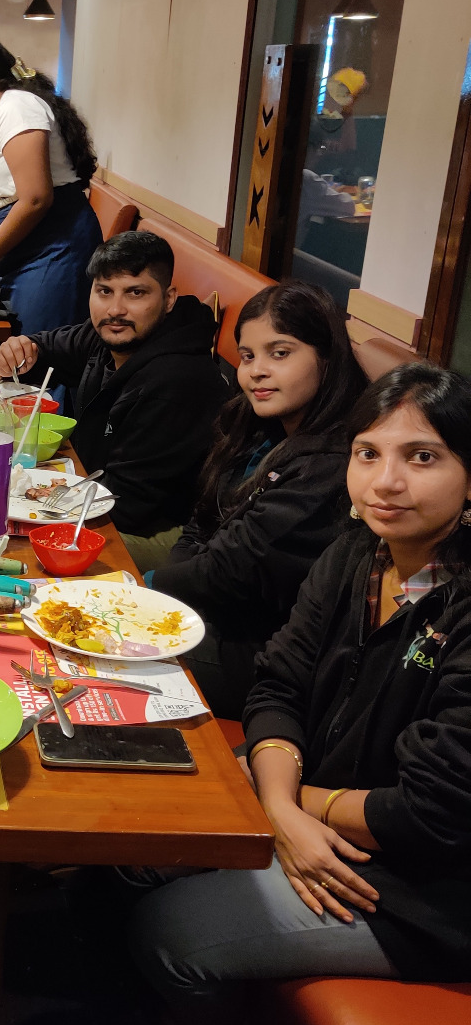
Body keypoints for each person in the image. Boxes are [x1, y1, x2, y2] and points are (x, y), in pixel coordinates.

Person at [120, 363, 471, 1025]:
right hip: (318, 807)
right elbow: (277, 682)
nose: (385, 481)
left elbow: (432, 812)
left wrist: (294, 806)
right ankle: (203, 999)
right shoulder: (360, 554)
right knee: (136, 841)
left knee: (168, 931)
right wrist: (281, 810)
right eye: (368, 453)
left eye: (423, 456)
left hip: (421, 889)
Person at [150, 282, 367, 717]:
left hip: (260, 657)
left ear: (327, 357)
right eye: (248, 356)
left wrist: (147, 590)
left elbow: (229, 571)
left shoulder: (331, 464)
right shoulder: (260, 425)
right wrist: (162, 589)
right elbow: (201, 519)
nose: (256, 371)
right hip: (215, 616)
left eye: (280, 353)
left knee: (99, 642)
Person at [0, 231, 230, 570]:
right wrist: (19, 349)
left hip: (164, 536)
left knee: (13, 548)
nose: (116, 310)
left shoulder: (178, 381)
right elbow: (47, 348)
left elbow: (128, 506)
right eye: (104, 291)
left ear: (168, 299)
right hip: (100, 496)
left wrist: (35, 495)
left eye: (136, 293)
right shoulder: (108, 336)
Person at [0, 31, 102, 333]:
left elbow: (36, 198)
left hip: (53, 245)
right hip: (25, 244)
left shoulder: (16, 107)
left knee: (39, 347)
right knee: (20, 346)